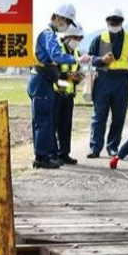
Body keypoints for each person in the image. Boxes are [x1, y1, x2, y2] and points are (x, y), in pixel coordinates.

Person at [29, 4, 92, 169]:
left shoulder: (45, 32)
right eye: (67, 21)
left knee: (44, 121)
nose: (67, 25)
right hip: (44, 80)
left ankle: (44, 155)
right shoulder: (48, 34)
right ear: (58, 17)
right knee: (44, 121)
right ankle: (42, 157)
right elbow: (55, 55)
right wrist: (77, 60)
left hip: (43, 80)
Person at [86, 9, 128, 158]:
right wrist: (102, 60)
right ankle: (95, 147)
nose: (114, 24)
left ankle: (112, 147)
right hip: (103, 79)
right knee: (99, 116)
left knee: (119, 116)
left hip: (122, 81)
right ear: (107, 22)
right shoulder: (99, 38)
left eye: (117, 21)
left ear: (122, 22)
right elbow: (90, 59)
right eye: (111, 21)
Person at [53, 23, 86, 165]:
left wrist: (78, 77)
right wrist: (67, 75)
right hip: (56, 93)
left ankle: (64, 154)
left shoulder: (76, 53)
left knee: (66, 127)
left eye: (80, 38)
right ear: (67, 37)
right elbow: (53, 72)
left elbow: (77, 72)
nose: (78, 40)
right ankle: (53, 154)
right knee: (53, 126)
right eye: (76, 37)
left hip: (68, 95)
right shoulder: (57, 50)